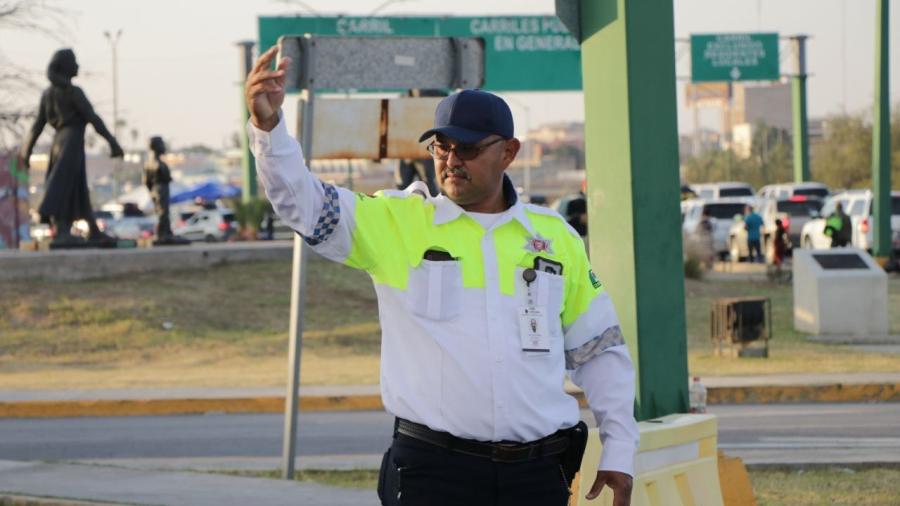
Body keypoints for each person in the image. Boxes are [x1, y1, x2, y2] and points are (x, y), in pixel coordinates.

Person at [245, 46, 638, 506]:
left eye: (468, 148)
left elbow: (600, 351)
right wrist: (269, 129)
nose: (452, 160)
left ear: (508, 152)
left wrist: (621, 448)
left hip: (537, 478)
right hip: (433, 474)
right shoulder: (398, 223)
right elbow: (304, 206)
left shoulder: (556, 238)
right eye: (441, 147)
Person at [19, 48, 123, 245]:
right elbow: (93, 118)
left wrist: (27, 150)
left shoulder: (48, 94)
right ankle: (62, 231)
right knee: (64, 186)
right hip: (71, 141)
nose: (78, 66)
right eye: (74, 62)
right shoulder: (72, 92)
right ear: (65, 66)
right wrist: (112, 142)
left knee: (78, 187)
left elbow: (37, 126)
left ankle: (92, 230)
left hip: (59, 142)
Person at [144, 136, 174, 241]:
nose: (164, 147)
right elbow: (147, 181)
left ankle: (167, 232)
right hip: (159, 189)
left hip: (160, 189)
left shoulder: (158, 163)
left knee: (165, 212)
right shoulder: (154, 163)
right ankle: (161, 235)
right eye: (162, 144)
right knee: (162, 213)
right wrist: (154, 192)